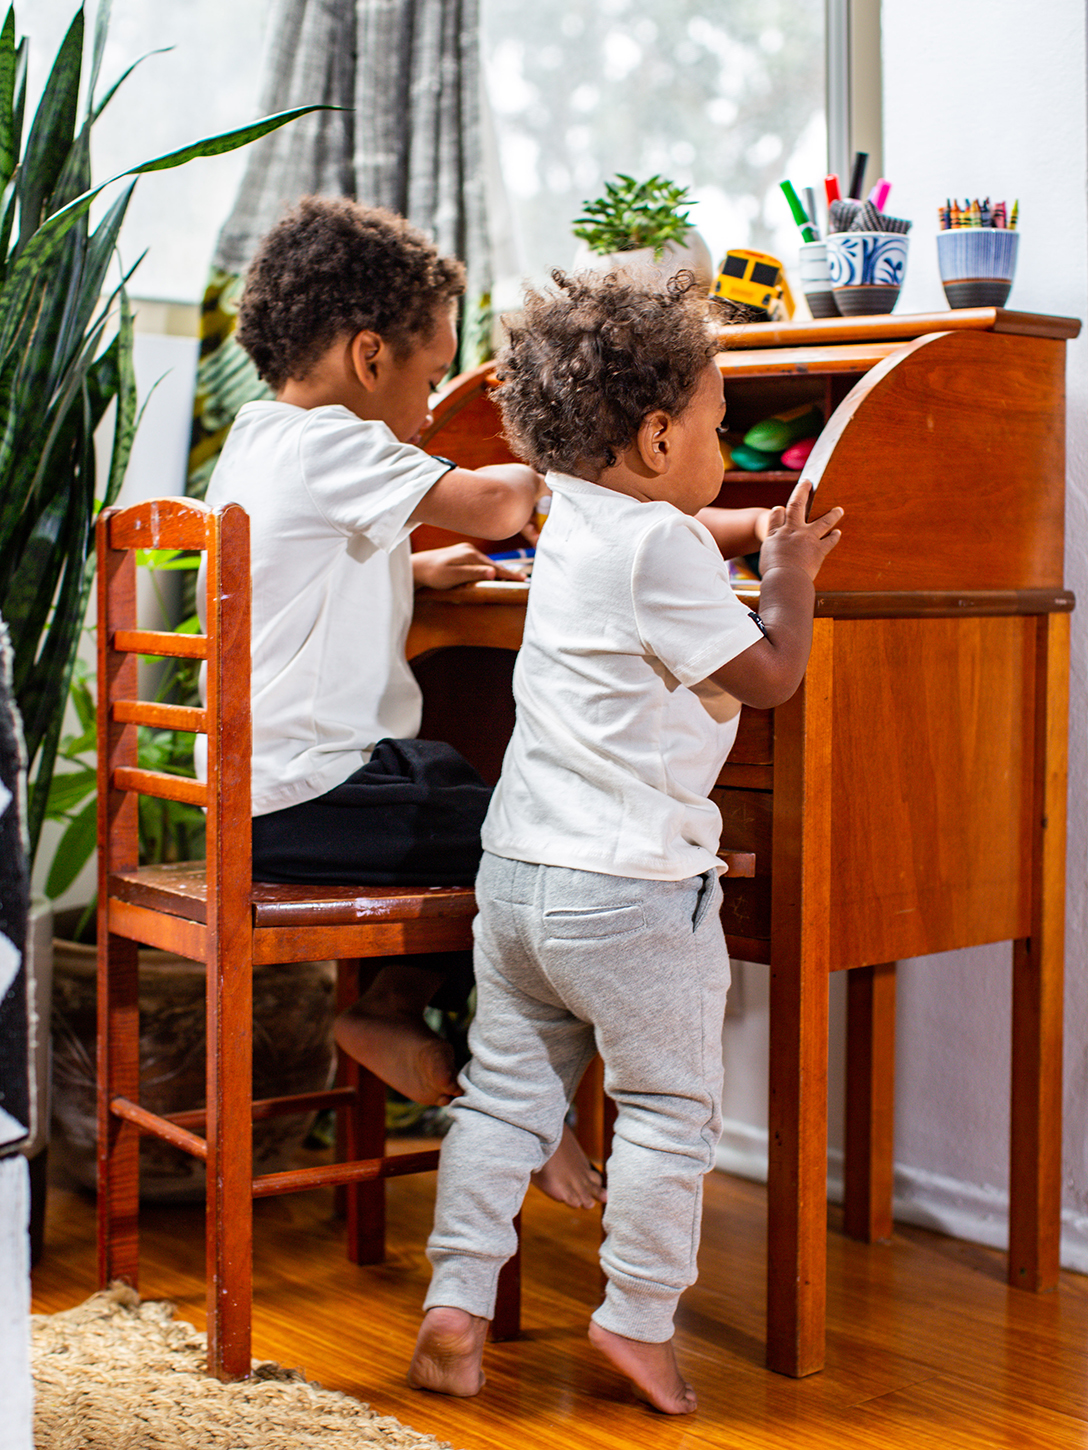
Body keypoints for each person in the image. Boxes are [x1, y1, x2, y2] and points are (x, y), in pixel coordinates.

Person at [408, 270, 844, 1414]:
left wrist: (744, 523)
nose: (715, 449)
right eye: (709, 428)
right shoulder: (669, 553)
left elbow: (679, 531)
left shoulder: (574, 519)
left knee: (503, 1099)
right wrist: (786, 581)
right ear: (656, 436)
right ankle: (636, 1319)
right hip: (632, 891)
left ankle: (454, 1304)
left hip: (517, 882)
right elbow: (768, 675)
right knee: (664, 1107)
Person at [200, 196, 600, 1208]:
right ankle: (515, 1100)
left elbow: (289, 585)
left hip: (265, 794)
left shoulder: (258, 441)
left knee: (461, 781)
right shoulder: (332, 443)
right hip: (307, 799)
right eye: (428, 379)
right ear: (369, 356)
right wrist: (565, 453)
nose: (429, 408)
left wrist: (416, 579)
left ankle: (394, 1002)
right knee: (543, 846)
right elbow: (503, 501)